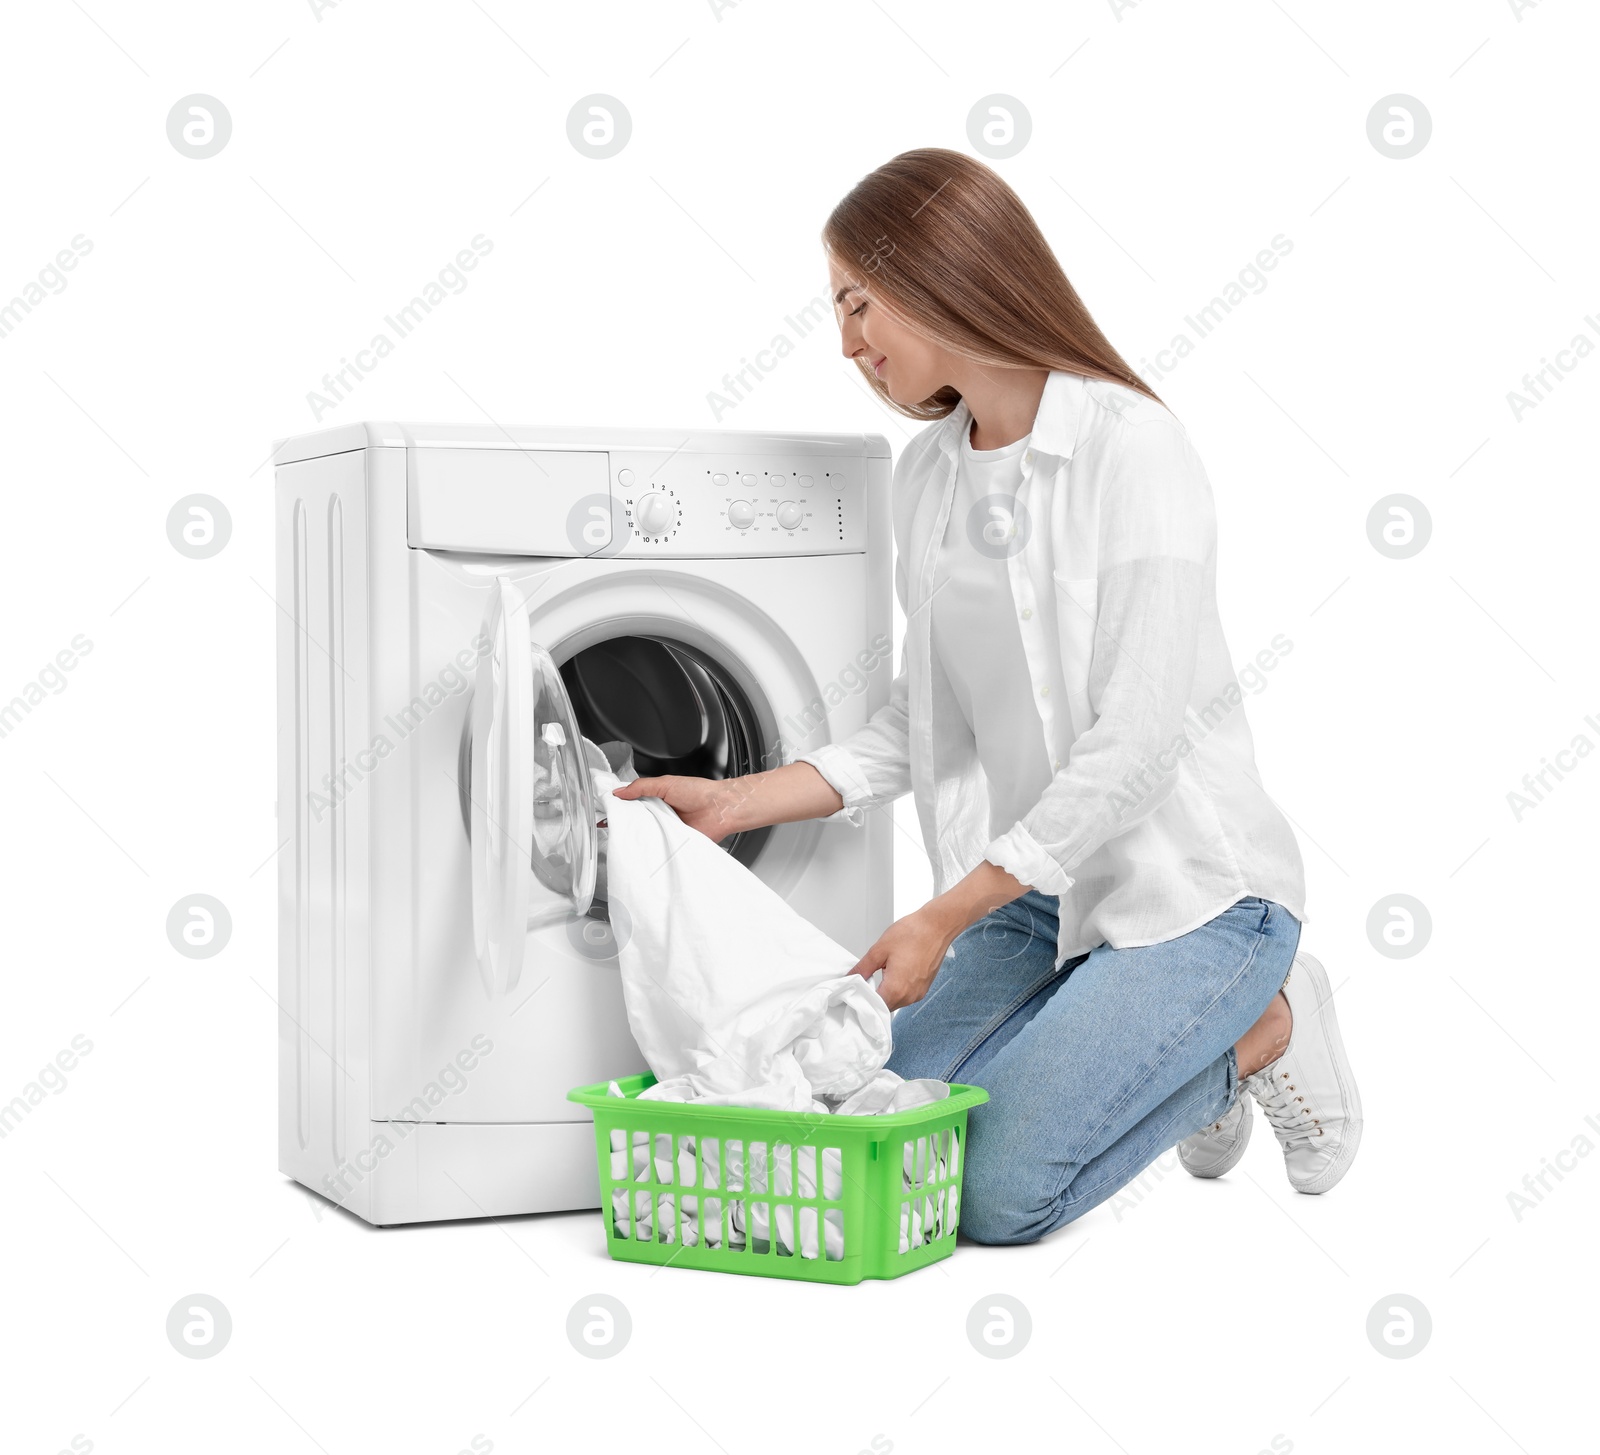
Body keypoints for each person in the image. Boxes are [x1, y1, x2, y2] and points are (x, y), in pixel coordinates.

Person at [613, 147, 1361, 1245]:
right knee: (881, 1122)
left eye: (859, 304)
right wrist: (736, 803)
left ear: (944, 273)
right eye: (837, 312)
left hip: (1192, 897)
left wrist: (941, 913)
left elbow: (1139, 740)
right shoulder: (927, 479)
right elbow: (926, 722)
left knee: (992, 1195)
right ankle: (1143, 1055)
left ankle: (1260, 1032)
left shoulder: (1130, 448)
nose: (845, 343)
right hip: (1034, 906)